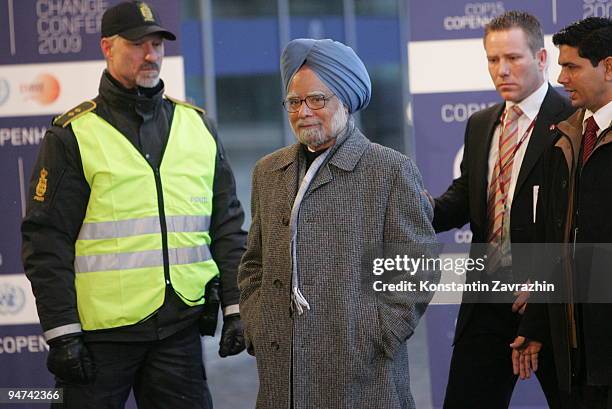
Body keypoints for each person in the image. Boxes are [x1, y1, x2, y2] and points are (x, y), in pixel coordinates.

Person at [21, 2, 246, 408]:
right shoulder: (73, 135)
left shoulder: (196, 125)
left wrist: (236, 306)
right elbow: (46, 242)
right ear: (108, 47)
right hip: (100, 340)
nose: (151, 55)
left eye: (157, 44)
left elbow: (227, 226)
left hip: (178, 331)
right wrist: (62, 333)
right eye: (138, 43)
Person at [238, 38, 437, 409]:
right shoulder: (268, 172)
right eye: (294, 102)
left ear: (345, 100)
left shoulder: (390, 170)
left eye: (317, 99)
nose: (304, 112)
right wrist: (257, 323)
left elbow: (416, 269)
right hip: (283, 372)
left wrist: (377, 334)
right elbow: (254, 263)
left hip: (363, 374)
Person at [431, 11, 574, 409]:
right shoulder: (481, 123)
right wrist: (413, 207)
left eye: (513, 58)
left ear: (542, 59)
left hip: (546, 302)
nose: (501, 70)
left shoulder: (572, 123)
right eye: (493, 60)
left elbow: (578, 223)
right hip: (486, 299)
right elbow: (464, 199)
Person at [512, 17, 612, 409]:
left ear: (608, 66)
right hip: (576, 350)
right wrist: (536, 325)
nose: (560, 76)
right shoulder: (564, 137)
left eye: (571, 66)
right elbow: (555, 244)